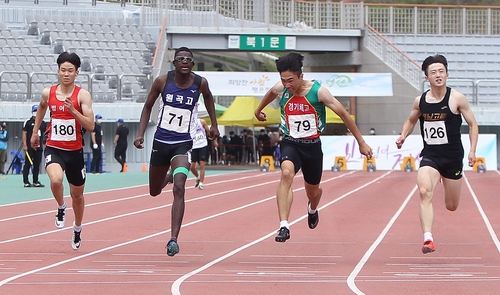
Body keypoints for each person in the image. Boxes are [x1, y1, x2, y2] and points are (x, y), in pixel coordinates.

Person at [254, 52, 373, 243]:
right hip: (291, 142)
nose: (287, 85)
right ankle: (284, 225)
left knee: (313, 192)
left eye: (291, 80)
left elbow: (344, 114)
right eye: (283, 80)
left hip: (312, 147)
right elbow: (271, 92)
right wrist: (258, 110)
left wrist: (361, 142)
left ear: (301, 76)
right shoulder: (282, 88)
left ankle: (313, 208)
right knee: (286, 174)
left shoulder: (318, 92)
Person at [134, 47, 220, 256]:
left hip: (183, 143)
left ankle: (173, 239)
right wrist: (140, 134)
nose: (184, 61)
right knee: (154, 191)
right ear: (174, 63)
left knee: (180, 188)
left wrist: (214, 125)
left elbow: (208, 98)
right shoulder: (163, 82)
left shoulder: (200, 83)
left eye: (188, 59)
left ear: (192, 63)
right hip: (161, 143)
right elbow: (147, 107)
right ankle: (170, 174)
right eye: (180, 58)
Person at [396, 54, 478, 254]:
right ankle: (428, 238)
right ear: (427, 78)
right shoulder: (421, 100)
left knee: (451, 206)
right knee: (424, 192)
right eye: (433, 72)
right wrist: (403, 135)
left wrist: (473, 151)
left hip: (452, 157)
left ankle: (445, 180)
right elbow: (411, 120)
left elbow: (473, 124)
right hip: (431, 156)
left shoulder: (457, 98)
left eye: (441, 71)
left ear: (447, 74)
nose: (438, 75)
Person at [31, 52, 95, 250]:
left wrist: (73, 112)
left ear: (77, 73)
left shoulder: (82, 95)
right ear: (58, 71)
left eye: (70, 71)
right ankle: (60, 206)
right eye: (63, 70)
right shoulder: (47, 93)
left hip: (75, 152)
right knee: (56, 180)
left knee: (78, 196)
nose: (66, 74)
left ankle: (77, 227)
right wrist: (35, 131)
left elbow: (91, 125)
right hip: (54, 147)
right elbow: (42, 108)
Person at [22, 105, 47, 187]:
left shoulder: (43, 123)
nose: (36, 112)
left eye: (37, 110)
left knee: (37, 164)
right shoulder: (28, 122)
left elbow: (44, 134)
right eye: (35, 110)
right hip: (29, 147)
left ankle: (35, 181)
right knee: (28, 164)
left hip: (39, 148)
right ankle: (26, 181)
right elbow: (24, 133)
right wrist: (25, 145)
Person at [190, 118, 213, 190]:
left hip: (202, 145)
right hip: (194, 146)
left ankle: (201, 183)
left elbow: (209, 132)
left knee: (202, 164)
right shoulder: (188, 123)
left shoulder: (202, 122)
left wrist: (214, 140)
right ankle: (198, 177)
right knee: (192, 166)